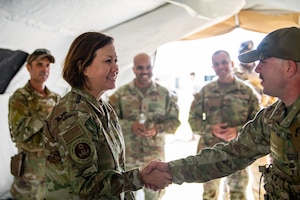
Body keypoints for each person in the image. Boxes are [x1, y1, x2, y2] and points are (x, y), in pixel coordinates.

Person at [144, 26, 300, 200]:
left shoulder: (252, 95)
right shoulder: (273, 117)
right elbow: (232, 155)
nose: (257, 69)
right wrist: (171, 170)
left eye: (263, 61)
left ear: (289, 67)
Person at [43, 32, 172, 199]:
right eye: (108, 61)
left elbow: (116, 167)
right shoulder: (73, 115)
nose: (116, 68)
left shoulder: (104, 108)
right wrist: (140, 178)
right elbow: (85, 186)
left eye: (116, 60)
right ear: (84, 68)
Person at [188, 50, 260, 200]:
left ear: (232, 64)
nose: (221, 66)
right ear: (213, 67)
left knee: (238, 195)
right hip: (210, 154)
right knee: (209, 195)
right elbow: (193, 120)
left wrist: (238, 131)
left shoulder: (247, 92)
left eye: (224, 62)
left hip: (238, 153)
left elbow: (258, 125)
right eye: (216, 64)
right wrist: (210, 129)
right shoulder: (205, 92)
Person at [109, 53, 180, 200]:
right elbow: (108, 122)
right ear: (134, 69)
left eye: (148, 67)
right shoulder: (121, 94)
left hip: (154, 161)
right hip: (128, 161)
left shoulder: (164, 94)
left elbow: (174, 123)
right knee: (125, 197)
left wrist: (157, 129)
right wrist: (130, 126)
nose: (145, 71)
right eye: (140, 68)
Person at [8, 48, 60, 199]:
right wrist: (44, 114)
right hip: (30, 169)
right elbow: (19, 135)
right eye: (39, 64)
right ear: (28, 68)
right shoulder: (20, 97)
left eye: (47, 65)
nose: (44, 69)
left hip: (52, 168)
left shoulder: (55, 98)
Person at [234, 40, 276, 200]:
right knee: (236, 181)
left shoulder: (264, 72)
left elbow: (272, 101)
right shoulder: (237, 76)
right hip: (241, 134)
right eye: (245, 52)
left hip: (263, 131)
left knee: (260, 177)